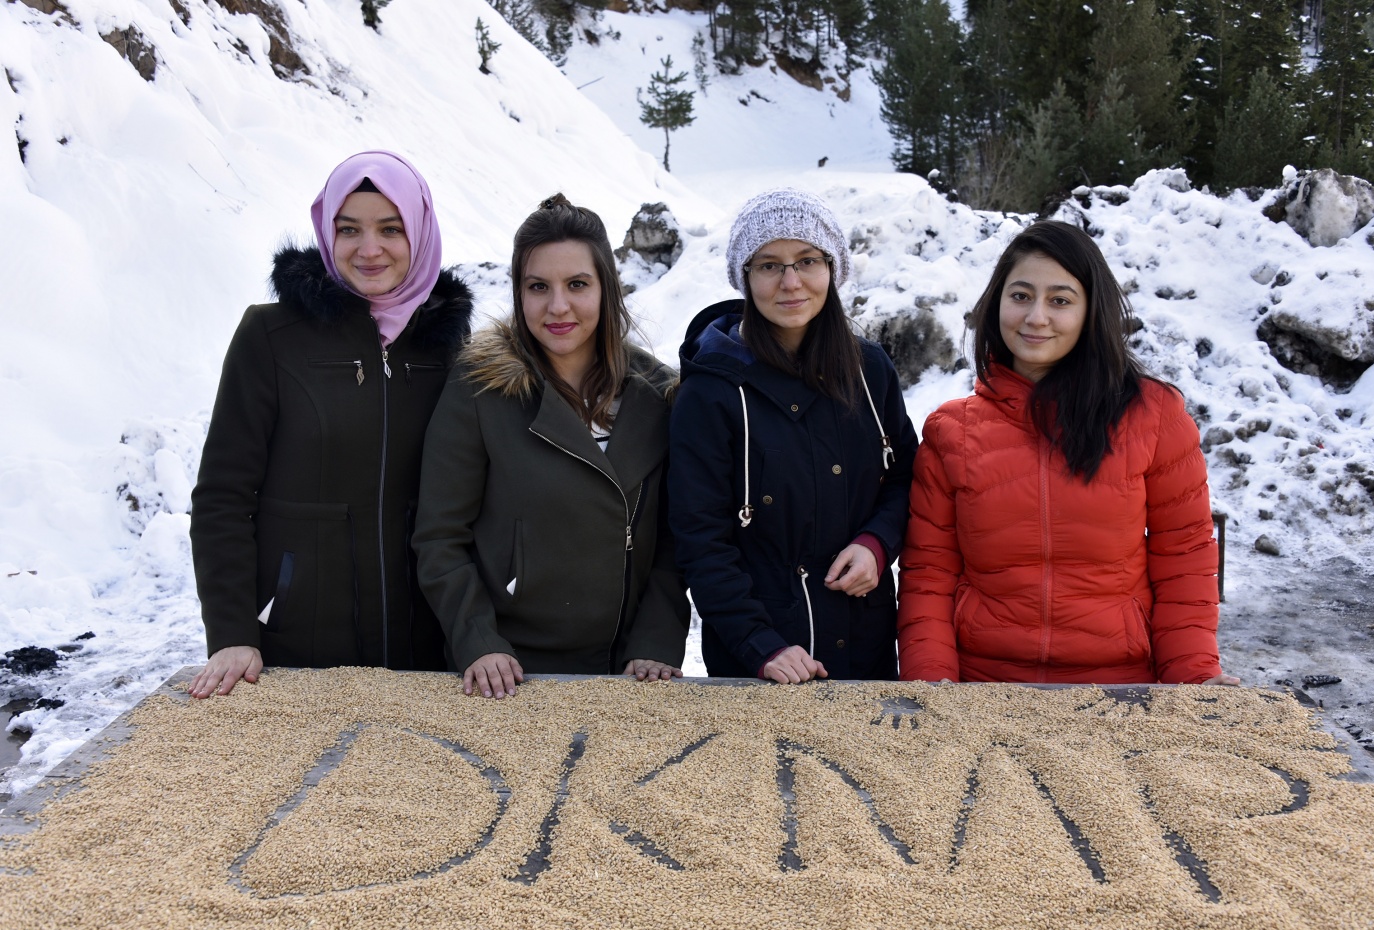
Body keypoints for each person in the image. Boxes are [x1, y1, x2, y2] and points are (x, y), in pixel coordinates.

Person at [898, 219, 1239, 685]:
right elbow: (929, 571)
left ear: (1090, 311)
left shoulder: (1155, 416)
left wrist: (1193, 677)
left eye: (1060, 300)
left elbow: (1184, 557)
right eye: (1020, 296)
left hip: (1122, 688)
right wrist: (931, 681)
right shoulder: (951, 430)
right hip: (982, 690)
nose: (1036, 316)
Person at [189, 150, 474, 698]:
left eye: (390, 229)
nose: (370, 249)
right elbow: (223, 495)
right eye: (350, 230)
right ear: (327, 233)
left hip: (430, 653)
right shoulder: (270, 337)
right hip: (295, 649)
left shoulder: (450, 348)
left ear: (419, 232)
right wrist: (231, 632)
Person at [413, 194, 688, 698]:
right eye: (538, 287)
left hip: (629, 669)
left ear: (607, 288)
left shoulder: (660, 396)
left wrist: (657, 640)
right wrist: (479, 641)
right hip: (508, 673)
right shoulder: (480, 391)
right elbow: (439, 537)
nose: (557, 306)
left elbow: (676, 540)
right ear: (519, 294)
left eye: (577, 285)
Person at [669, 189, 918, 683]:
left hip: (864, 648)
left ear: (833, 268)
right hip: (756, 667)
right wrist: (760, 646)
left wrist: (877, 543)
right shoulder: (711, 393)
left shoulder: (870, 371)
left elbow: (908, 479)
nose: (790, 282)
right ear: (745, 276)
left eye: (807, 260)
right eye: (768, 265)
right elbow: (701, 541)